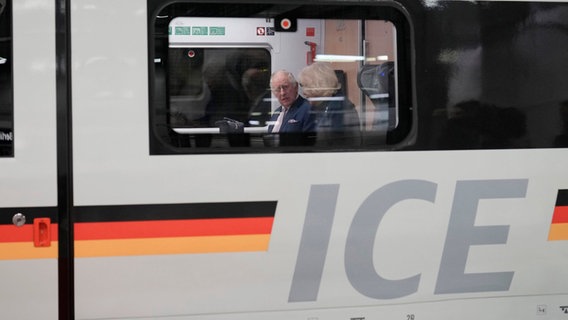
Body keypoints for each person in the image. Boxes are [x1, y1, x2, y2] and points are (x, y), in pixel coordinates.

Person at [298, 62, 361, 146]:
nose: (304, 93)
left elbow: (338, 145)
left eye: (307, 86)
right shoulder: (320, 107)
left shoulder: (340, 109)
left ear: (318, 86)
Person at [266, 70, 316, 146]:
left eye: (285, 87)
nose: (282, 93)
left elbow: (309, 144)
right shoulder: (276, 113)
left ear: (295, 87)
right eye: (278, 89)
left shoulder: (308, 109)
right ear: (273, 92)